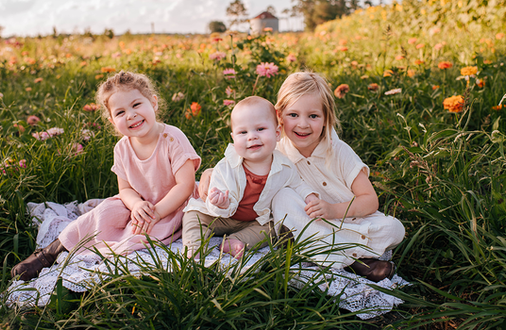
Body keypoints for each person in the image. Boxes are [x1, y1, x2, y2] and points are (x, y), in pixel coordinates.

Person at [200, 72, 405, 282]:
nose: (303, 124)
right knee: (283, 198)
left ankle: (326, 251)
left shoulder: (339, 151)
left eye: (313, 116)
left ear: (326, 118)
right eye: (293, 115)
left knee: (395, 229)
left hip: (348, 219)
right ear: (279, 116)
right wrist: (210, 173)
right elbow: (237, 163)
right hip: (306, 220)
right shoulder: (275, 150)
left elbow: (370, 199)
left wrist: (333, 210)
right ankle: (355, 262)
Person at [11, 71, 201, 281]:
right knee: (105, 210)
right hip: (139, 204)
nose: (130, 115)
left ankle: (98, 250)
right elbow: (126, 189)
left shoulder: (172, 138)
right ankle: (53, 249)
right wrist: (136, 205)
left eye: (137, 105)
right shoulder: (122, 147)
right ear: (112, 121)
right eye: (120, 112)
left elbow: (185, 185)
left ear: (153, 103)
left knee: (143, 231)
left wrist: (156, 212)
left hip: (173, 205)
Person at [182, 96, 318, 258]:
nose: (252, 136)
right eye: (243, 132)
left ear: (277, 134)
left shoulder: (284, 166)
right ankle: (194, 246)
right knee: (193, 215)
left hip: (256, 220)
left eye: (260, 129)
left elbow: (297, 184)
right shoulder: (226, 167)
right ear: (233, 138)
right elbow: (215, 197)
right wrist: (220, 203)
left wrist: (309, 196)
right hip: (220, 216)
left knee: (274, 226)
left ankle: (236, 241)